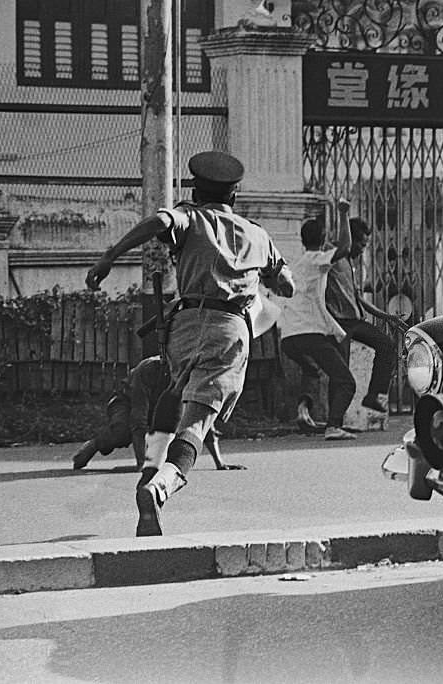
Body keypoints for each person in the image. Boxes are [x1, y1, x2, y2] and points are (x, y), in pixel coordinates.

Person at [85, 150, 295, 536]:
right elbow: (287, 284)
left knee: (172, 393)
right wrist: (271, 278)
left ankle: (150, 467)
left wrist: (109, 257)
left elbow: (157, 221)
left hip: (183, 326)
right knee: (198, 421)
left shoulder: (190, 217)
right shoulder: (257, 234)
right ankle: (160, 485)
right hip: (228, 328)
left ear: (196, 191)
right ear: (234, 196)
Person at [278, 198, 359, 441]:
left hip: (288, 337)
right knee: (346, 381)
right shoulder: (317, 260)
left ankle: (304, 410)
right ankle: (334, 425)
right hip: (309, 334)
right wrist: (344, 214)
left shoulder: (297, 264)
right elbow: (345, 247)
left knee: (312, 370)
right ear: (322, 240)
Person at [71, 355, 238, 472]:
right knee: (121, 433)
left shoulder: (189, 374)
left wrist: (219, 463)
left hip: (159, 407)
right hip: (126, 403)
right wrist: (142, 464)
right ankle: (95, 444)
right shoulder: (147, 369)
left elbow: (200, 417)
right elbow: (138, 418)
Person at [323, 216, 408, 416]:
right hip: (338, 322)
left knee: (386, 345)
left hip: (354, 320)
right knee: (340, 373)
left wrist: (388, 317)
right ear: (350, 239)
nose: (363, 249)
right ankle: (334, 421)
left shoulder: (352, 264)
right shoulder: (333, 257)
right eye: (361, 243)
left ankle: (374, 395)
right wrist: (342, 214)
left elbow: (359, 298)